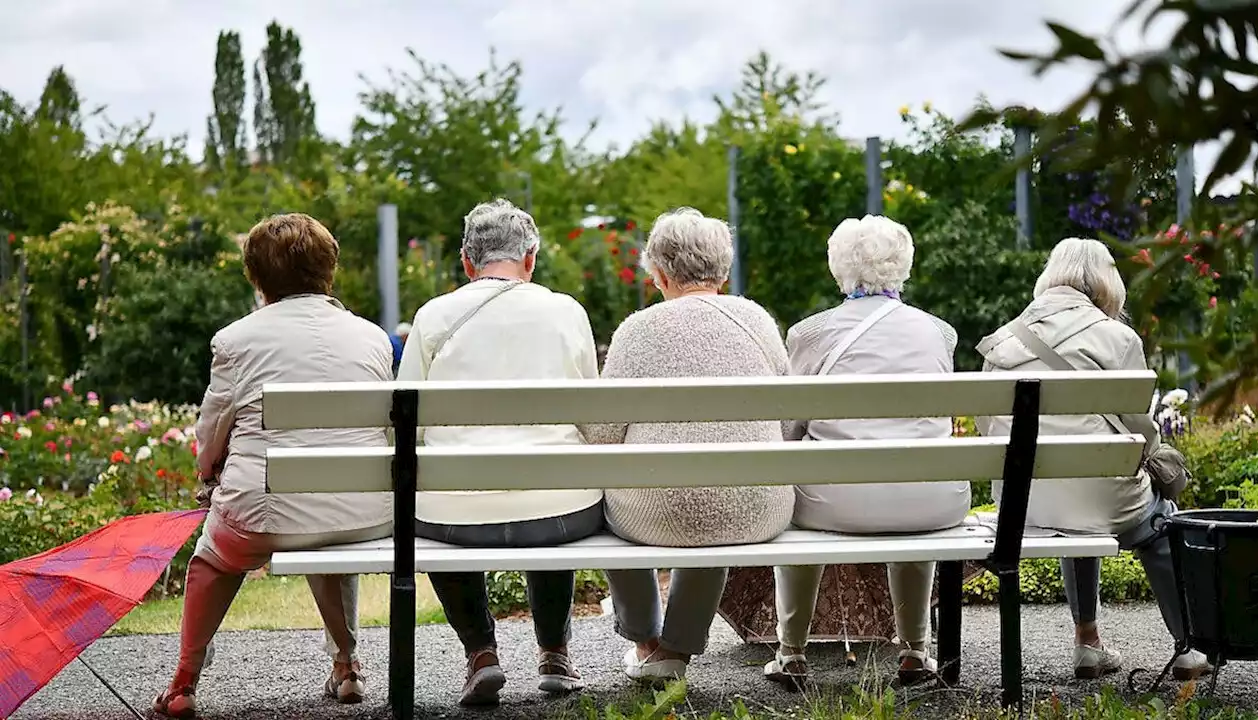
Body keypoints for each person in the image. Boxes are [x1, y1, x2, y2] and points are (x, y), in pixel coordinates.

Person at [154, 214, 394, 718]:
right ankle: (347, 665)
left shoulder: (235, 340)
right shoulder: (371, 337)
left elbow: (209, 438)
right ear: (328, 269)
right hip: (363, 512)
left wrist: (208, 473)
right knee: (326, 522)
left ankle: (183, 683)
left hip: (263, 515)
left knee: (213, 560)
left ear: (258, 278)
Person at [397, 198, 602, 706]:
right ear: (530, 258)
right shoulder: (566, 311)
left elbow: (404, 424)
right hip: (559, 516)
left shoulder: (432, 316)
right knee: (552, 484)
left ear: (468, 263)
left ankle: (481, 655)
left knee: (443, 493)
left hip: (454, 517)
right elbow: (593, 413)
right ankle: (554, 653)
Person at [975, 237, 1209, 681]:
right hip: (1103, 502)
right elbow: (1142, 432)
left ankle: (1088, 642)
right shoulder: (1118, 337)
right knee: (1160, 521)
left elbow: (989, 428)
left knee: (1074, 508)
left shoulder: (1002, 340)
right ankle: (1188, 647)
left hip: (1025, 506)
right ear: (1106, 282)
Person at [580, 207, 794, 684]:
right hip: (757, 505)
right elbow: (788, 418)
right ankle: (675, 648)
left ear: (658, 272)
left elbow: (600, 436)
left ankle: (646, 642)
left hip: (656, 513)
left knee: (617, 501)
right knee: (718, 489)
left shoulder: (638, 329)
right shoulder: (756, 320)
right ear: (723, 268)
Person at [771, 216, 970, 688]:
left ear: (838, 267)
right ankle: (915, 651)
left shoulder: (808, 334)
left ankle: (791, 653)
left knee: (800, 487)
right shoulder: (939, 332)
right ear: (904, 264)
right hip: (932, 501)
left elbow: (788, 428)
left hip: (832, 506)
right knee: (914, 471)